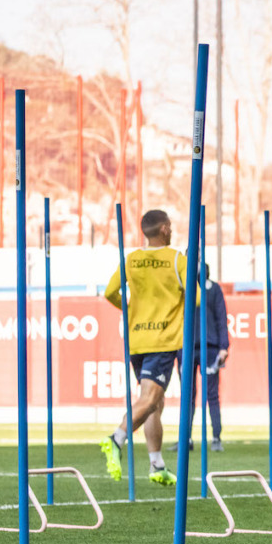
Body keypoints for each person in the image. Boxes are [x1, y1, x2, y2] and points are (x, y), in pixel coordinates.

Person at [99, 209, 192, 487]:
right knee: (151, 399)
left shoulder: (131, 259)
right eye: (170, 226)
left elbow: (110, 292)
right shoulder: (176, 259)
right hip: (162, 340)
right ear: (164, 229)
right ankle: (116, 438)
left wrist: (129, 309)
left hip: (137, 340)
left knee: (154, 402)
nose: (171, 230)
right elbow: (196, 298)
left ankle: (156, 464)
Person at [191, 264, 230, 452]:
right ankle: (186, 439)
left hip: (210, 348)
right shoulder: (183, 287)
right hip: (187, 348)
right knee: (188, 396)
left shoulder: (213, 289)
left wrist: (224, 347)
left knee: (212, 395)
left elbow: (221, 318)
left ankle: (216, 437)